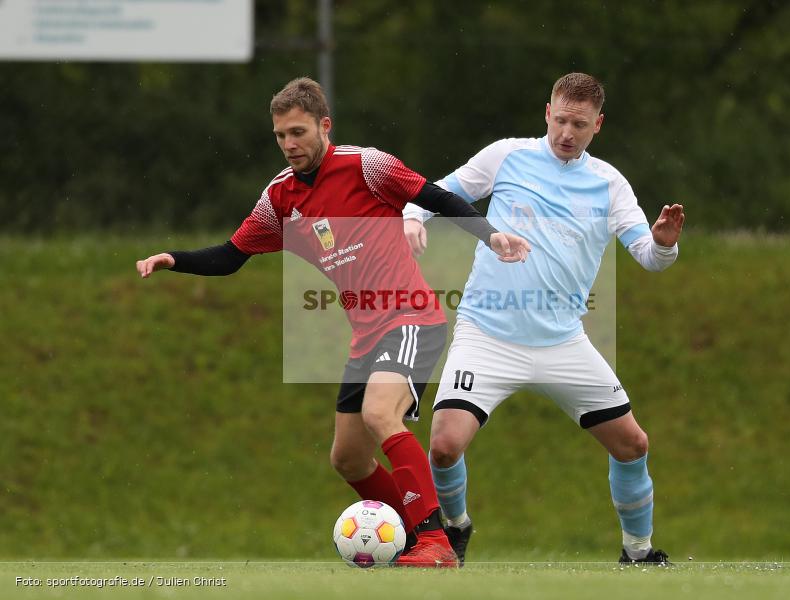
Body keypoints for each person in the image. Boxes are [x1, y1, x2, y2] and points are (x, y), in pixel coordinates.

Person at [136, 77, 530, 567]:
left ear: (325, 125)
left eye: (298, 132)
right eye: (280, 136)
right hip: (366, 336)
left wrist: (489, 236)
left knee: (379, 414)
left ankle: (435, 542)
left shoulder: (367, 166)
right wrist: (175, 258)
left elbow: (437, 198)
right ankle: (413, 535)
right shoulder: (280, 198)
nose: (289, 145)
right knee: (347, 458)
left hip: (412, 317)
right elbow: (232, 256)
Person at [403, 72, 684, 565]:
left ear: (598, 124)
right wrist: (410, 217)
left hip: (562, 343)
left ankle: (638, 552)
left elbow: (648, 257)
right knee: (445, 446)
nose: (566, 133)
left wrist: (663, 242)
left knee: (632, 444)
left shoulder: (609, 183)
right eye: (560, 120)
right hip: (487, 334)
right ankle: (456, 528)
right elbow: (436, 191)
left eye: (579, 124)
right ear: (546, 113)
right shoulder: (507, 155)